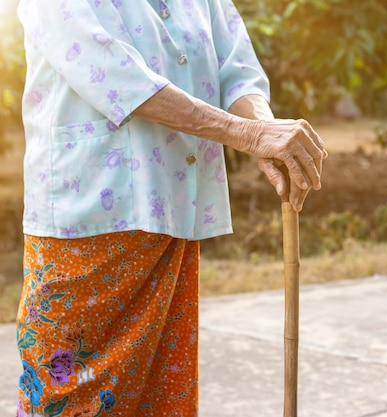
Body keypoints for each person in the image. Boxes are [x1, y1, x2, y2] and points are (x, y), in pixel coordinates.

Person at [15, 0, 327, 416]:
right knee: (73, 397)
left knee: (162, 399)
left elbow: (236, 69)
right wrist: (249, 134)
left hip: (172, 214)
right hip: (87, 221)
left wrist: (265, 129)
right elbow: (121, 80)